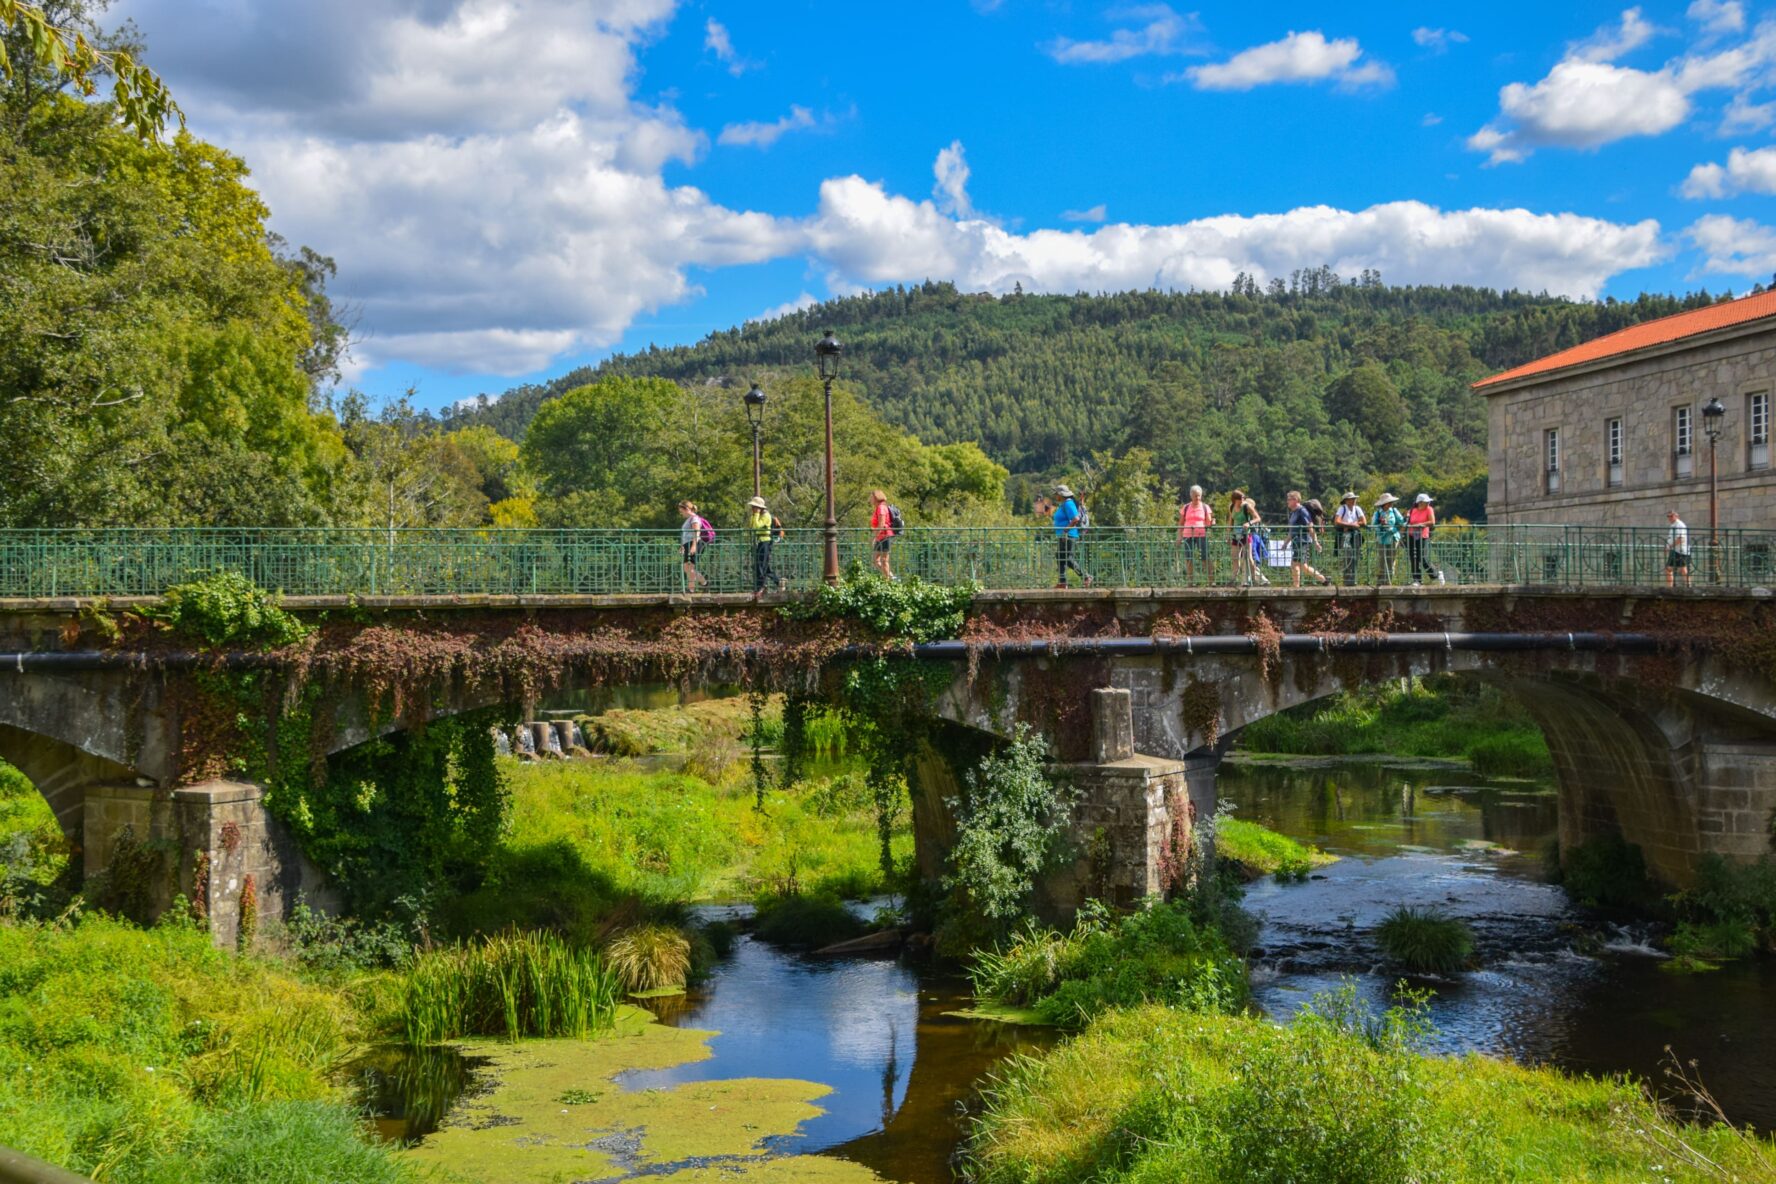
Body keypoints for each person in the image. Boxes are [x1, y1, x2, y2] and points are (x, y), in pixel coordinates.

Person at [1286, 491, 1331, 587]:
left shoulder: (1302, 511)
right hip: (1296, 542)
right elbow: (1292, 530)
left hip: (1302, 542)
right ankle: (1324, 580)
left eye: (1289, 499)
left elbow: (1310, 526)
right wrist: (1285, 543)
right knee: (1304, 567)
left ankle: (1296, 588)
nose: (1287, 502)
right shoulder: (1293, 513)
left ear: (1295, 500)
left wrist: (1316, 542)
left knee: (1295, 564)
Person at [1052, 483, 1092, 589]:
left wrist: (1065, 530)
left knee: (1068, 558)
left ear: (1061, 494)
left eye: (1056, 494)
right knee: (1060, 557)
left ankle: (1086, 576)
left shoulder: (1068, 504)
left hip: (1068, 535)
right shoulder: (1064, 504)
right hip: (1063, 535)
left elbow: (1075, 518)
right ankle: (1062, 582)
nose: (1055, 496)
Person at [1176, 484, 1214, 584]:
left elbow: (1208, 522)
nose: (1197, 498)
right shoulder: (1186, 507)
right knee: (1189, 558)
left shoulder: (1205, 507)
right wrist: (1179, 537)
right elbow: (1180, 523)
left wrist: (1212, 522)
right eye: (1195, 495)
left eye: (1199, 495)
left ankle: (1211, 581)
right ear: (1191, 496)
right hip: (1187, 535)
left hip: (1201, 534)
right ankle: (1190, 581)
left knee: (1205, 557)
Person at [747, 495, 782, 600]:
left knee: (761, 566)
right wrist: (754, 515)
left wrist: (756, 514)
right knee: (763, 566)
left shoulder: (766, 515)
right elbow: (752, 526)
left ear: (759, 507)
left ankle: (760, 588)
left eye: (754, 506)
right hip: (760, 542)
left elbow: (757, 526)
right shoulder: (757, 515)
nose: (752, 508)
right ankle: (779, 582)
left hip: (765, 542)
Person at [1228, 490, 1266, 586]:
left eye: (1244, 498)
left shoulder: (1246, 506)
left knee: (1248, 557)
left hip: (1246, 534)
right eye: (1241, 499)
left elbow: (1258, 518)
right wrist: (1228, 534)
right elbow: (1230, 521)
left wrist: (1248, 523)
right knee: (1235, 557)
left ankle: (1254, 578)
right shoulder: (1232, 507)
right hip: (1235, 535)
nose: (1243, 500)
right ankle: (1234, 578)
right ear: (1235, 500)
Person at [1407, 493, 1443, 585]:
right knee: (1413, 558)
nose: (1428, 503)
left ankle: (1435, 574)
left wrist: (1421, 525)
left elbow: (1432, 522)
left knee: (1423, 558)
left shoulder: (1429, 509)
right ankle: (1417, 580)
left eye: (1428, 502)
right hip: (1412, 535)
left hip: (1423, 535)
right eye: (1426, 502)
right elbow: (1408, 521)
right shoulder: (1412, 510)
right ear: (1420, 503)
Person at [1334, 491, 1367, 585]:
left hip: (1355, 535)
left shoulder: (1357, 509)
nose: (1354, 500)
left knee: (1355, 557)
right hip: (1345, 536)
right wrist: (1352, 524)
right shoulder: (1342, 508)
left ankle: (1353, 580)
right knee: (1347, 556)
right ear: (1346, 501)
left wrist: (1351, 525)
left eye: (1354, 499)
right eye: (1351, 499)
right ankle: (1347, 580)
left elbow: (1364, 521)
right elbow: (1337, 521)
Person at [1372, 493, 1405, 584]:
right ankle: (1381, 580)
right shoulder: (1378, 513)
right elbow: (1373, 525)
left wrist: (1394, 529)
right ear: (1384, 503)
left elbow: (1402, 522)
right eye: (1389, 502)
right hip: (1381, 538)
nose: (1391, 503)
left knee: (1391, 559)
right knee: (1382, 559)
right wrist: (1381, 526)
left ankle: (1389, 580)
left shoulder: (1394, 511)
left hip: (1393, 538)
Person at [678, 500, 709, 592]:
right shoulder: (688, 520)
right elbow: (685, 534)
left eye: (681, 511)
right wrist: (682, 546)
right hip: (687, 544)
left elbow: (697, 532)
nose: (681, 513)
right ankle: (704, 583)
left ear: (687, 509)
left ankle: (691, 590)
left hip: (694, 543)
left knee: (690, 567)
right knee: (686, 568)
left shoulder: (695, 518)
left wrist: (694, 546)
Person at [869, 489, 896, 580]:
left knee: (884, 560)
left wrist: (874, 537)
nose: (870, 499)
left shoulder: (881, 508)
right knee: (876, 561)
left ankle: (889, 580)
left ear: (876, 497)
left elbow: (881, 524)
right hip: (881, 537)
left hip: (884, 536)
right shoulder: (879, 507)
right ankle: (890, 577)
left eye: (871, 497)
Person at [1666, 509, 1692, 588]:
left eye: (1671, 516)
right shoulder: (1673, 525)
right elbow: (1672, 538)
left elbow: (1681, 539)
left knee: (1680, 569)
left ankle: (1687, 586)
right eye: (1668, 516)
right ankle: (1687, 586)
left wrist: (1670, 546)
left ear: (1677, 516)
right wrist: (1667, 546)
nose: (1669, 518)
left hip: (1680, 550)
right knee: (1675, 569)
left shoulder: (1680, 525)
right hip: (1676, 550)